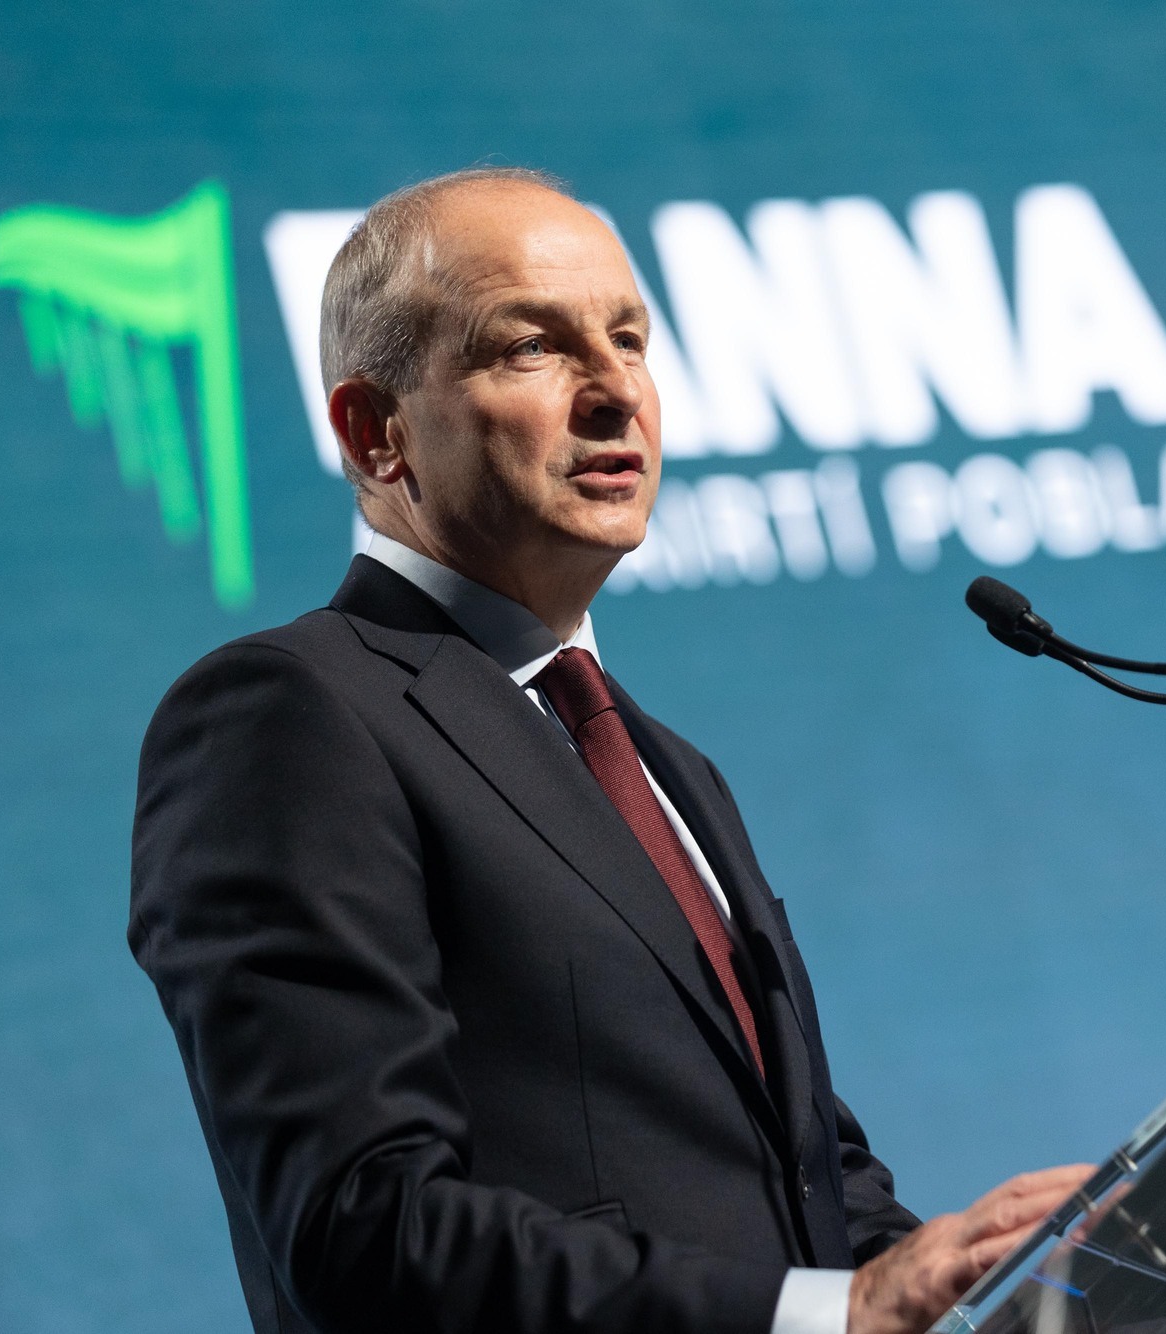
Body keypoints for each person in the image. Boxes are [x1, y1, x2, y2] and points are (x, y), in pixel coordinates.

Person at [129, 167, 1090, 1334]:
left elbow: (797, 1179)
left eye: (628, 339)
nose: (614, 391)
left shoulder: (662, 764)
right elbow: (362, 1226)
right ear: (377, 434)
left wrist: (973, 1279)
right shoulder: (290, 715)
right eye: (531, 346)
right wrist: (828, 1313)